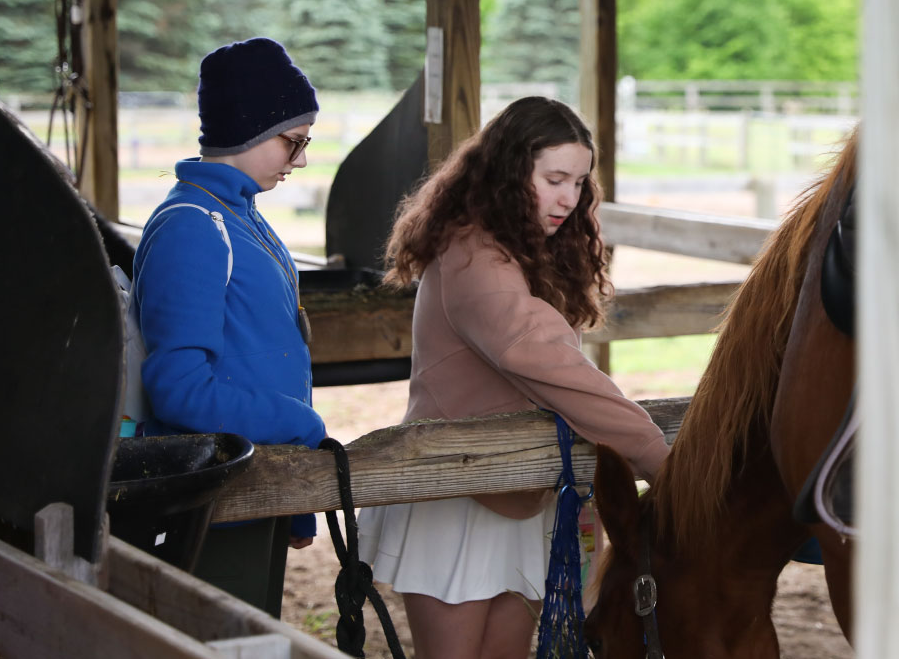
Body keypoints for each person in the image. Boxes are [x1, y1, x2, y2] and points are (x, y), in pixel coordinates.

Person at [357, 96, 670, 658]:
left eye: (578, 182)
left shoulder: (527, 251)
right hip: (454, 495)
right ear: (507, 171)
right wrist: (655, 452)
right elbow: (544, 358)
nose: (569, 199)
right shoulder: (472, 254)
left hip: (524, 490)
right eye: (553, 178)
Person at [132, 37, 326, 616]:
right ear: (249, 128)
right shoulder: (193, 225)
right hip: (214, 495)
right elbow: (179, 387)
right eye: (292, 142)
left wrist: (296, 492)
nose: (301, 160)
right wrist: (300, 424)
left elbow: (265, 360)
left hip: (254, 477)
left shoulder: (241, 218)